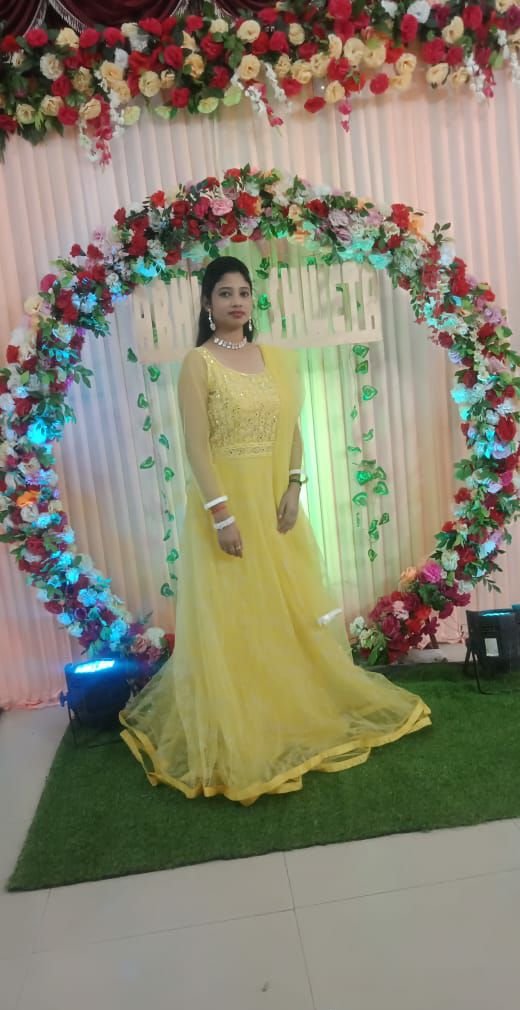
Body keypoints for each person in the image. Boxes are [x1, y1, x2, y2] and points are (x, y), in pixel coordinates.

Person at [120, 257, 431, 805]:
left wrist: (294, 486)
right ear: (207, 303)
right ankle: (242, 717)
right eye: (225, 293)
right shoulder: (198, 363)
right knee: (237, 610)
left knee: (285, 606)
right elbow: (196, 447)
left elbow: (292, 431)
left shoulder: (277, 360)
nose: (237, 302)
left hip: (274, 505)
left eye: (243, 292)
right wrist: (221, 515)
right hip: (226, 507)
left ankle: (291, 704)